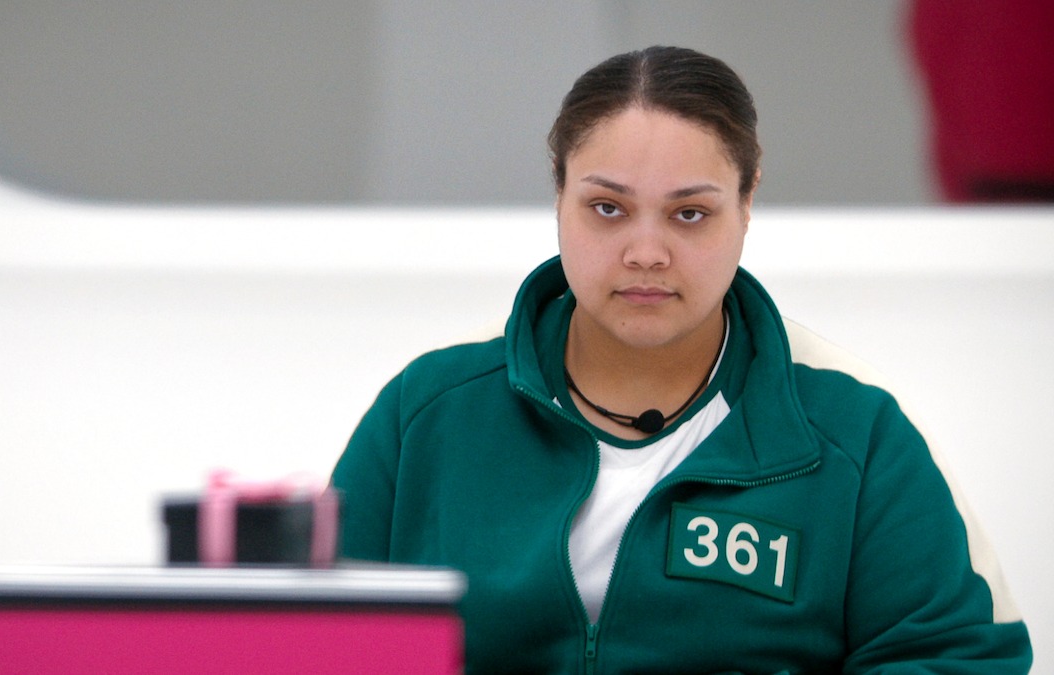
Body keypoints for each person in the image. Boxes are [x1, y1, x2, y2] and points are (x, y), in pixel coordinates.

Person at [330, 46, 1033, 673]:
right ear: (559, 197)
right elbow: (316, 643)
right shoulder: (427, 413)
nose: (646, 251)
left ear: (747, 203)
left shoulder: (853, 433)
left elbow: (958, 656)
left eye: (689, 213)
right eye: (607, 208)